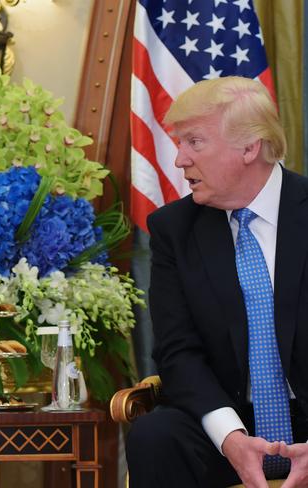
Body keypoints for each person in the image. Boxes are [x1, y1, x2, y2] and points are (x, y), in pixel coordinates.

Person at [126, 76, 308, 487]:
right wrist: (231, 438)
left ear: (249, 147)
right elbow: (177, 350)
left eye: (194, 142)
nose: (179, 160)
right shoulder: (175, 229)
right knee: (156, 436)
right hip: (225, 423)